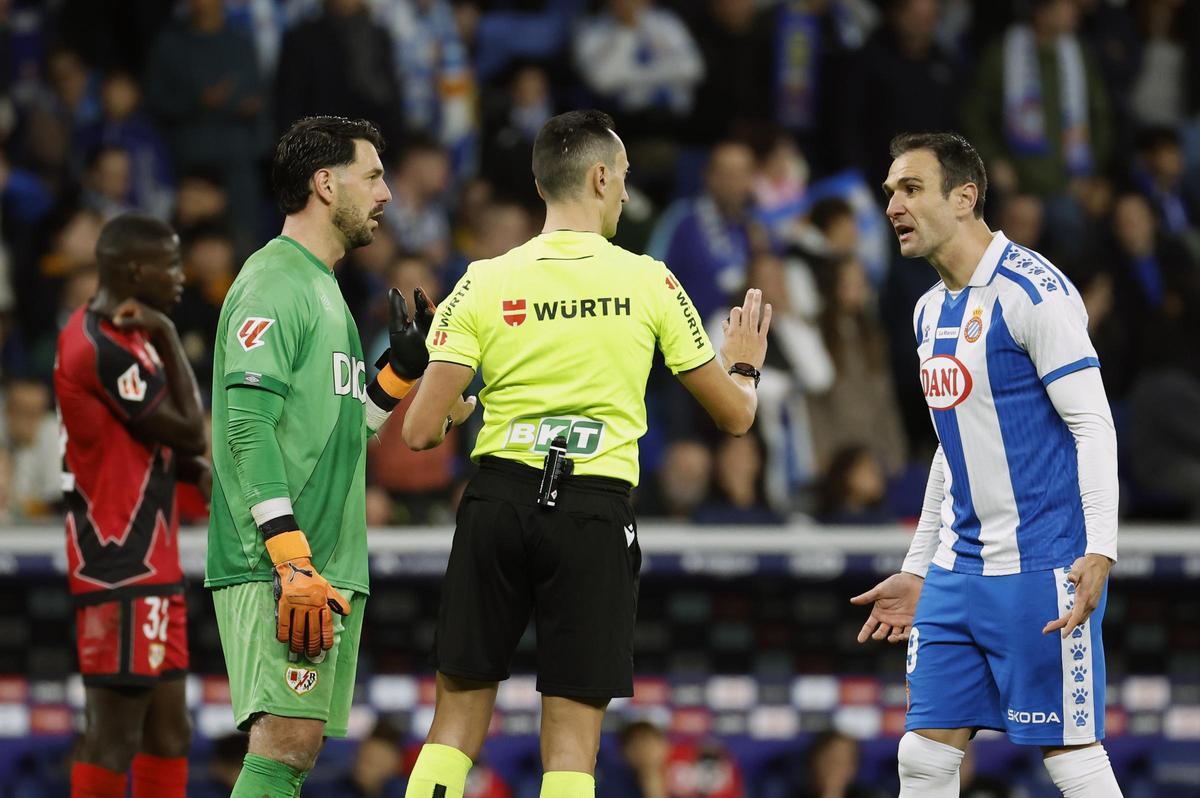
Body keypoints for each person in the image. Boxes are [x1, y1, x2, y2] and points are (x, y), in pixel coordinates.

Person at [399, 109, 770, 798]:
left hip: (498, 501)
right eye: (624, 178)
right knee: (571, 743)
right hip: (591, 512)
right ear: (600, 177)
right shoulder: (650, 281)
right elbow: (735, 417)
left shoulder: (482, 280)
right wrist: (744, 365)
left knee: (453, 726)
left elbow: (419, 433)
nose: (627, 194)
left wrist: (463, 409)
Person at [204, 115, 472, 798]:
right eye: (373, 175)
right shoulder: (273, 284)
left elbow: (341, 430)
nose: (386, 193)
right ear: (326, 183)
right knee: (283, 742)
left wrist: (396, 376)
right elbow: (245, 427)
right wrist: (290, 556)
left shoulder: (326, 291)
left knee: (297, 749)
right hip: (282, 560)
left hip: (319, 560)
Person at [851, 132, 1122, 797]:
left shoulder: (1034, 293)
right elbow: (954, 447)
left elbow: (1094, 424)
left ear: (965, 198)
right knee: (921, 755)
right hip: (956, 574)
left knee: (1069, 755)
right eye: (889, 192)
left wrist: (1101, 549)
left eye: (911, 189)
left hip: (1042, 565)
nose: (893, 206)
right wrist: (918, 569)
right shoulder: (926, 312)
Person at [54, 212, 209, 798]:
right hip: (120, 560)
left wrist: (192, 471)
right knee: (113, 737)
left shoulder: (124, 334)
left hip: (152, 558)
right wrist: (168, 333)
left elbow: (154, 440)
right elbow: (190, 431)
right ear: (135, 269)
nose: (180, 276)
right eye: (170, 264)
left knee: (170, 735)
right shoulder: (99, 344)